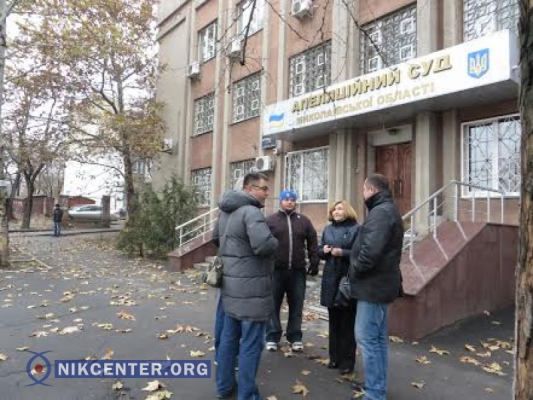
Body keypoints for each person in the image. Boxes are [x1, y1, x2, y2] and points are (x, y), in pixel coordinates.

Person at [214, 172, 278, 400]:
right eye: (264, 188)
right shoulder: (251, 212)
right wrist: (275, 241)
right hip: (252, 291)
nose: (267, 193)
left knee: (228, 340)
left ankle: (224, 387)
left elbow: (215, 239)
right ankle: (247, 395)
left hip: (230, 288)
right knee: (251, 344)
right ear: (249, 189)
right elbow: (263, 245)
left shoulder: (225, 212)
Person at [349, 174, 404, 400]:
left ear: (370, 189)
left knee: (367, 339)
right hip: (379, 285)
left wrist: (354, 271)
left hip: (373, 286)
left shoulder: (380, 213)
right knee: (377, 339)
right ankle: (376, 386)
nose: (362, 194)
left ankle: (374, 393)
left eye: (364, 190)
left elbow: (370, 252)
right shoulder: (387, 209)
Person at [265, 189, 319, 352]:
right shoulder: (270, 220)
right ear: (281, 201)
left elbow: (312, 240)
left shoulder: (304, 221)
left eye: (292, 199)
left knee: (296, 305)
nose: (290, 202)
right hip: (276, 271)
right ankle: (272, 336)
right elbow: (263, 243)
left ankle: (295, 336)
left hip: (297, 271)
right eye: (286, 199)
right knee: (273, 305)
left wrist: (314, 260)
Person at [318, 200, 360, 375]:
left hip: (347, 279)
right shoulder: (328, 229)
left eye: (340, 209)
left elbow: (359, 253)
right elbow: (319, 250)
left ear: (348, 211)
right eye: (334, 209)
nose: (336, 211)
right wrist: (323, 251)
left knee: (347, 323)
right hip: (330, 279)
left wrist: (342, 253)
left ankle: (347, 361)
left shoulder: (356, 229)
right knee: (333, 322)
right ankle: (334, 358)